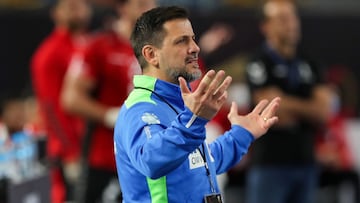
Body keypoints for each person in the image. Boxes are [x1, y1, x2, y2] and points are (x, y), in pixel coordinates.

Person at [114, 6, 281, 203]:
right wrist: (193, 120)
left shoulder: (178, 103)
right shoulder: (140, 109)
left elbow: (201, 163)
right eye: (181, 41)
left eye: (192, 38)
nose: (195, 47)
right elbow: (151, 162)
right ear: (151, 55)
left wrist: (241, 134)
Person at [60, 0, 156, 202]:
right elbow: (70, 99)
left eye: (152, 2)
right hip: (106, 157)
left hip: (149, 155)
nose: (149, 8)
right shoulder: (100, 46)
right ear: (122, 8)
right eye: (140, 3)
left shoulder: (160, 47)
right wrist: (110, 115)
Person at [244, 1, 333, 203]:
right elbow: (271, 112)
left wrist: (285, 102)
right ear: (265, 26)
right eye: (282, 19)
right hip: (269, 164)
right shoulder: (258, 62)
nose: (291, 24)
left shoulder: (310, 62)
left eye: (293, 17)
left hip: (305, 163)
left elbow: (324, 112)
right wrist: (307, 107)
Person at [30, 0, 92, 202]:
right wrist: (70, 153)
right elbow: (49, 108)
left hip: (92, 144)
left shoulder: (88, 45)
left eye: (81, 6)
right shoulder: (48, 54)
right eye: (71, 7)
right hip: (69, 148)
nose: (79, 12)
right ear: (56, 13)